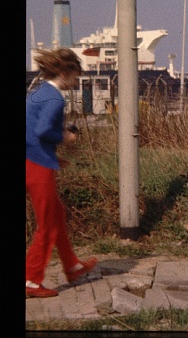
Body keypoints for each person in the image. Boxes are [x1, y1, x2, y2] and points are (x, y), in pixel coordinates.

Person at [26, 48, 98, 298]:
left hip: (32, 161)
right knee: (47, 223)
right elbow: (43, 131)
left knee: (56, 213)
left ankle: (72, 266)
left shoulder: (39, 92)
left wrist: (51, 156)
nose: (77, 81)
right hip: (36, 165)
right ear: (65, 72)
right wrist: (64, 136)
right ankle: (31, 280)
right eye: (76, 75)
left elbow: (29, 128)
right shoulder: (55, 98)